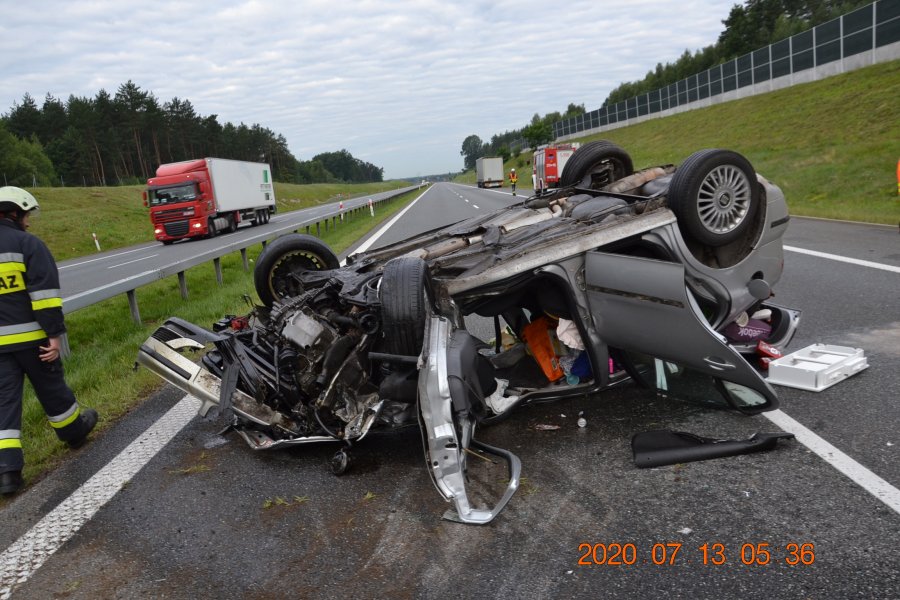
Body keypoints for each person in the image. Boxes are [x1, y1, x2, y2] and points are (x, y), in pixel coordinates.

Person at [0, 186, 97, 496]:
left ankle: (8, 474)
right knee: (51, 388)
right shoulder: (27, 244)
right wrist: (54, 336)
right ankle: (73, 432)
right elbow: (44, 297)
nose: (29, 221)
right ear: (15, 213)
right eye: (26, 215)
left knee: (4, 405)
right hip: (34, 340)